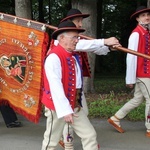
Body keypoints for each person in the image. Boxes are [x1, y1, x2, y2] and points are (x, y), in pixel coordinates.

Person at [55, 8, 121, 149]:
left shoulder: (77, 40)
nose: (80, 24)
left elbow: (95, 49)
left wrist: (109, 48)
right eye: (77, 21)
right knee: (66, 117)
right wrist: (105, 41)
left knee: (82, 113)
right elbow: (84, 45)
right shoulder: (61, 42)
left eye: (80, 21)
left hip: (76, 87)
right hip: (63, 89)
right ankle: (68, 143)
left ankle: (84, 141)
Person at [41, 20, 100, 150]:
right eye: (74, 37)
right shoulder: (53, 57)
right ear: (61, 38)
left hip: (74, 104)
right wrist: (65, 110)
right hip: (56, 106)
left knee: (90, 135)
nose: (77, 40)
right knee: (51, 140)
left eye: (77, 37)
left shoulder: (71, 56)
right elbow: (55, 86)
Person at [107, 6, 150, 137]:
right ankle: (149, 128)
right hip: (142, 73)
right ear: (137, 18)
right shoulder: (136, 33)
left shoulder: (146, 32)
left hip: (147, 72)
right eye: (143, 15)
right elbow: (131, 57)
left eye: (148, 15)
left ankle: (115, 118)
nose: (147, 17)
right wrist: (130, 79)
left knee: (138, 99)